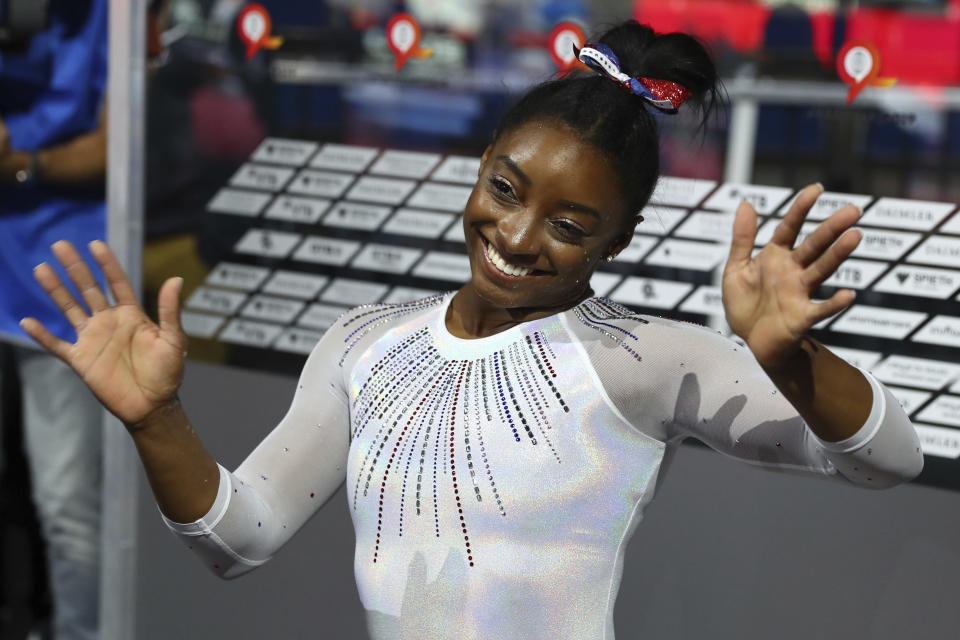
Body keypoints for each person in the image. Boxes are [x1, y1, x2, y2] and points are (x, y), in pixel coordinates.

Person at [20, 21, 922, 640]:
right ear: (482, 164)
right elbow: (238, 539)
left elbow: (890, 461)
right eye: (505, 188)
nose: (519, 238)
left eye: (571, 226)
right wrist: (155, 420)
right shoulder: (363, 344)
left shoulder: (643, 359)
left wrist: (791, 360)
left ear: (621, 238)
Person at [0, 1, 108, 638]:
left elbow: (125, 142)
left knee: (67, 507)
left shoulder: (109, 16)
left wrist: (23, 165)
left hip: (62, 293)